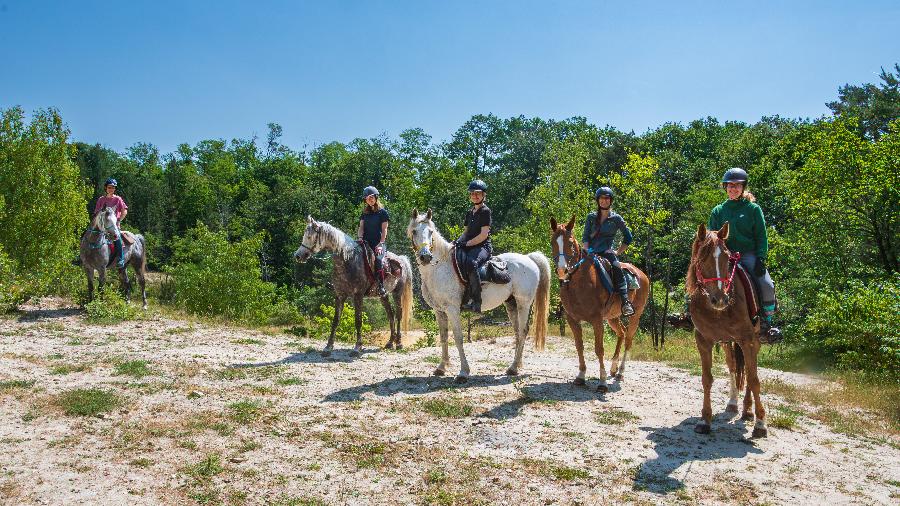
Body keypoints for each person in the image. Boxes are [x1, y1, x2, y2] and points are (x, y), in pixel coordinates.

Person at [669, 168, 782, 342]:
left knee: (766, 282)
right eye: (730, 185)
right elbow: (711, 237)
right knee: (698, 276)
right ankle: (688, 315)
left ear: (743, 187)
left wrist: (760, 257)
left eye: (737, 185)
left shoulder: (753, 209)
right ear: (725, 187)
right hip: (722, 256)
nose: (733, 189)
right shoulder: (718, 210)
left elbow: (761, 235)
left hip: (747, 255)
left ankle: (767, 323)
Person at [581, 186, 635, 316]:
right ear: (597, 200)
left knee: (616, 266)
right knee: (574, 268)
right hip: (590, 252)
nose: (604, 201)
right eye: (601, 198)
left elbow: (628, 237)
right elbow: (586, 237)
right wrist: (587, 250)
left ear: (611, 201)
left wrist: (617, 252)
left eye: (606, 198)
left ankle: (625, 302)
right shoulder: (591, 217)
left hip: (606, 253)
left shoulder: (616, 219)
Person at [454, 179, 492, 312]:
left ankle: (477, 301)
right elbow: (466, 232)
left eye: (478, 193)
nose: (475, 196)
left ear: (483, 195)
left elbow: (483, 235)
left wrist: (467, 244)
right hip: (469, 246)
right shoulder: (469, 213)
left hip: (483, 247)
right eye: (472, 193)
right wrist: (457, 242)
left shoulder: (485, 211)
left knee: (471, 263)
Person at [357, 186, 390, 296]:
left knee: (378, 260)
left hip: (378, 243)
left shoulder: (382, 213)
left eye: (371, 197)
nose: (369, 199)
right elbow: (361, 227)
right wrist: (360, 238)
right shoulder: (364, 213)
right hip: (365, 242)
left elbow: (384, 229)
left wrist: (381, 243)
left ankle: (381, 286)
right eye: (367, 198)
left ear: (376, 197)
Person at [93, 177, 128, 269]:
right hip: (101, 225)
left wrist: (119, 220)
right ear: (106, 188)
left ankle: (121, 259)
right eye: (109, 187)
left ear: (114, 189)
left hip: (113, 225)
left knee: (117, 238)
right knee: (88, 234)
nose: (111, 189)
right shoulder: (101, 199)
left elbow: (124, 211)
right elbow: (96, 212)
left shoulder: (118, 199)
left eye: (113, 187)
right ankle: (81, 256)